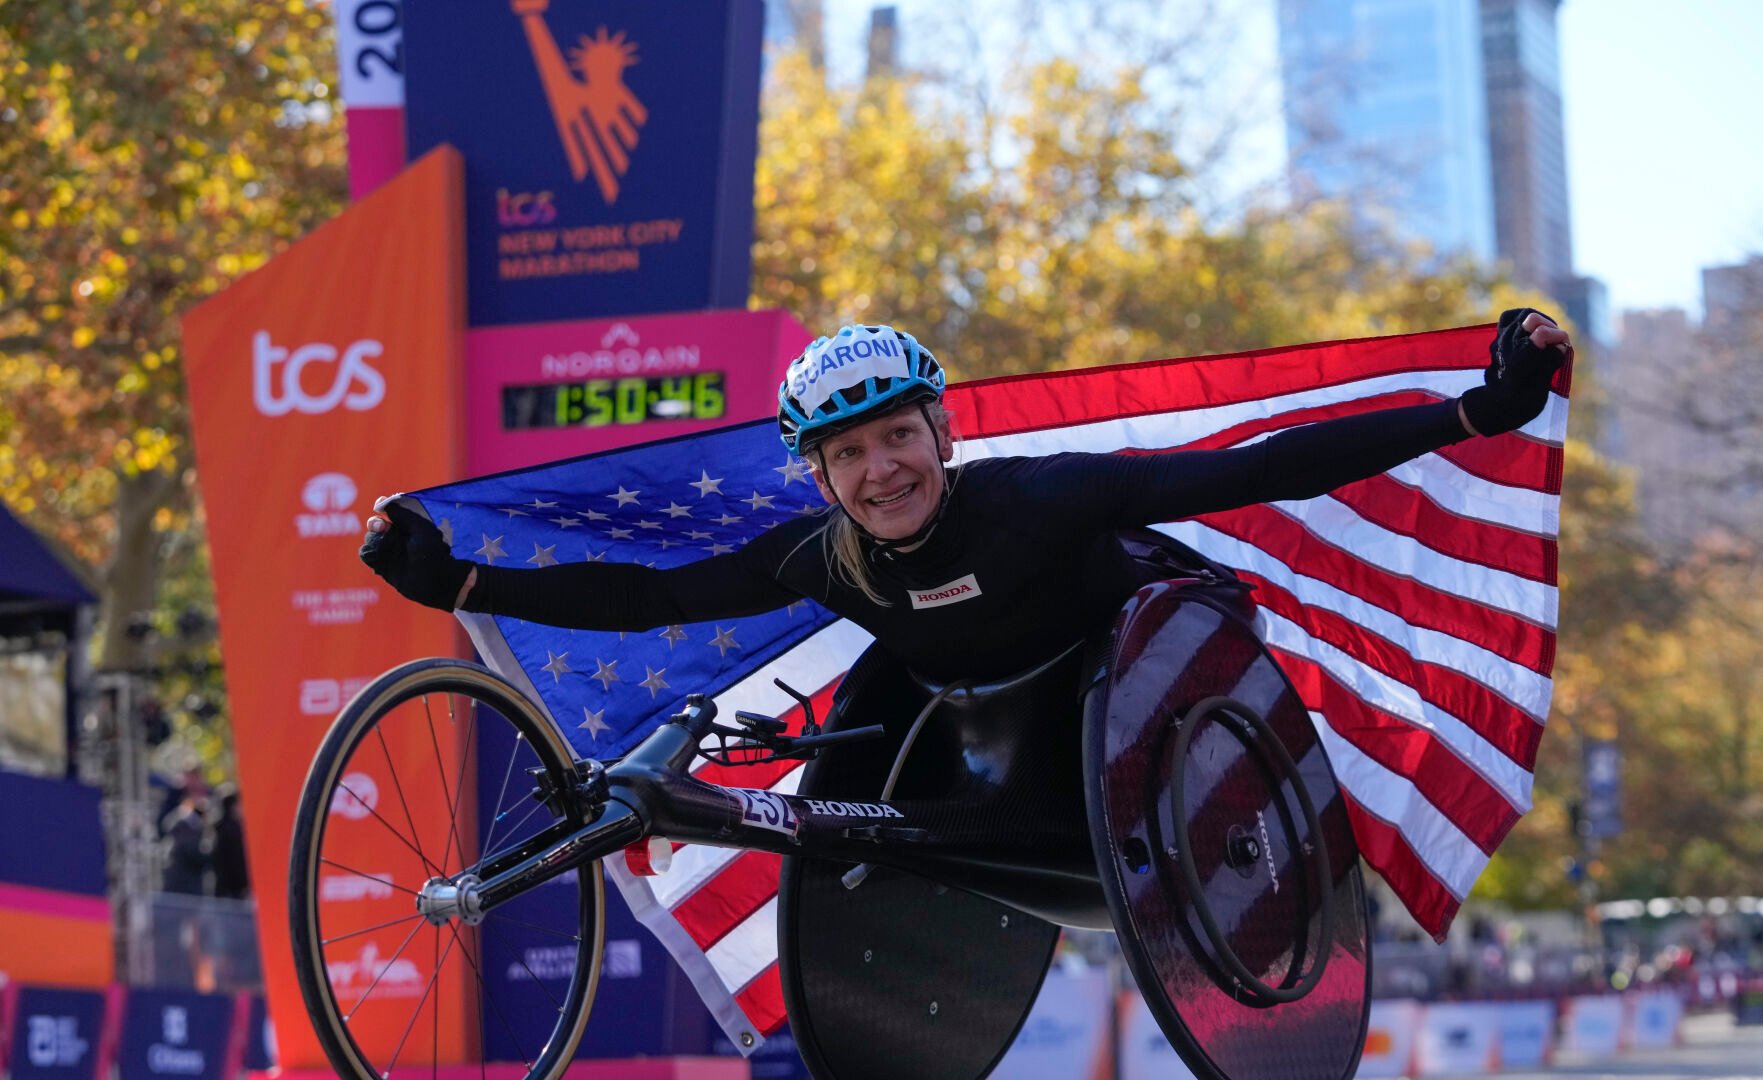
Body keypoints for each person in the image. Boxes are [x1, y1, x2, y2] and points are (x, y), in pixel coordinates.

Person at [361, 311, 1569, 685]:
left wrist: (1473, 413)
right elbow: (646, 597)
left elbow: (1256, 468)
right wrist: (461, 582)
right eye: (849, 457)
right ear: (820, 476)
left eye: (898, 438)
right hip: (971, 700)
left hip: (1142, 657)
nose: (880, 470)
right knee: (867, 694)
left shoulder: (1045, 495)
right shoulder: (820, 557)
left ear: (941, 432)